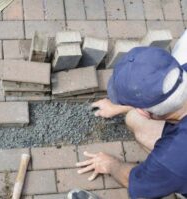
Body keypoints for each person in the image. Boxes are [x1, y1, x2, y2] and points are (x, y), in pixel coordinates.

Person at [71, 30, 187, 199]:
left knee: (136, 123)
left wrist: (111, 165)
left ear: (145, 111)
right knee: (134, 119)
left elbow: (138, 185)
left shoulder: (174, 157)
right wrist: (122, 106)